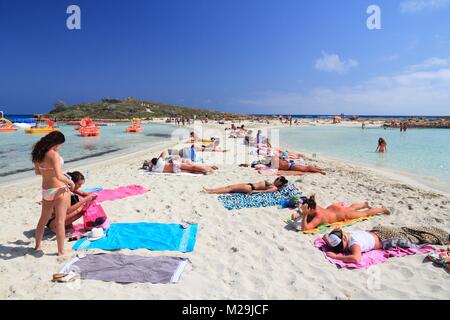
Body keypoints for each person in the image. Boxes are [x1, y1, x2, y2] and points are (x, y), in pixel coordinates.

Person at [32, 131, 75, 256]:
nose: (59, 147)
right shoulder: (54, 155)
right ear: (56, 142)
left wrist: (48, 171)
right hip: (58, 189)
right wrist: (70, 182)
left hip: (46, 190)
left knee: (43, 219)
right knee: (60, 221)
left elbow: (38, 172)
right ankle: (61, 251)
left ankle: (37, 245)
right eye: (60, 144)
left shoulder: (38, 154)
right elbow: (59, 176)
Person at [323, 225, 450, 264]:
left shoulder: (354, 244)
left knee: (416, 238)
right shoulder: (350, 235)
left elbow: (356, 259)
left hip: (388, 238)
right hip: (379, 230)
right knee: (410, 230)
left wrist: (336, 257)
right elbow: (326, 237)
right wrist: (328, 240)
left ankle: (443, 237)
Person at [291, 195, 390, 232]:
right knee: (351, 208)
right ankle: (364, 204)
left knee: (365, 214)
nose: (303, 211)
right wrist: (299, 214)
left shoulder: (319, 216)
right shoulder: (313, 205)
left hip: (341, 213)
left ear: (310, 209)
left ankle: (382, 209)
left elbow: (305, 229)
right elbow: (306, 208)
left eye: (305, 210)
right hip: (333, 209)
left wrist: (303, 215)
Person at [150, 152, 217, 174]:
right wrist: (159, 157)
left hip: (174, 171)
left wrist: (151, 165)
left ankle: (204, 172)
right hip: (175, 165)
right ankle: (208, 169)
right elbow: (163, 152)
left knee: (191, 171)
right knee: (192, 167)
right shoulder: (159, 161)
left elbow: (150, 168)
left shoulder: (155, 169)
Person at [204, 176, 288, 194]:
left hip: (250, 187)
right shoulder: (273, 184)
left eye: (277, 179)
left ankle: (210, 192)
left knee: (230, 189)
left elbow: (265, 191)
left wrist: (253, 191)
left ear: (280, 183)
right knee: (229, 186)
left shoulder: (274, 188)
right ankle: (210, 190)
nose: (275, 179)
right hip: (249, 185)